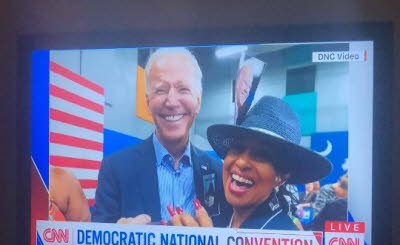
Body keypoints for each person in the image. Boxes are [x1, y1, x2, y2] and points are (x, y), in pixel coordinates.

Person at [91, 48, 226, 225]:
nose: (171, 101)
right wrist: (118, 238)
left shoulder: (218, 173)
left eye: (183, 89)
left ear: (198, 102)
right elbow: (96, 242)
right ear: (148, 103)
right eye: (161, 90)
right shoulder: (115, 169)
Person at [169, 96, 332, 230]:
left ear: (281, 177)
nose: (240, 162)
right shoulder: (223, 219)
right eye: (237, 148)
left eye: (261, 155)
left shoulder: (282, 241)